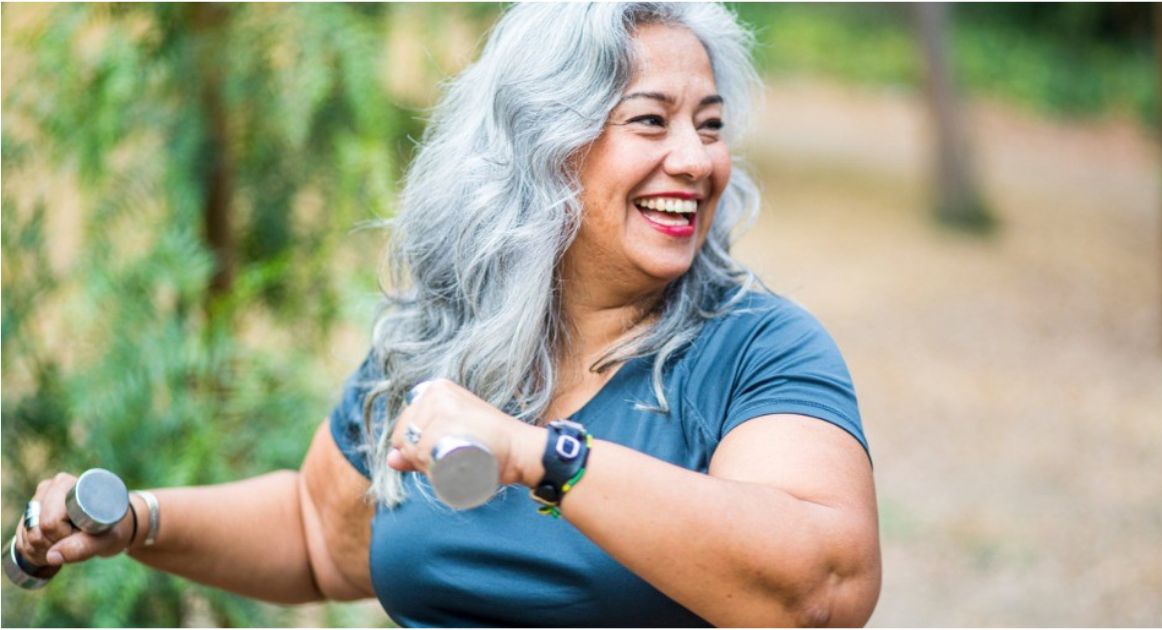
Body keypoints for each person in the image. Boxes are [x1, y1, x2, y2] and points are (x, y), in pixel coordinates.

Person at [13, 3, 880, 626]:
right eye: (651, 122)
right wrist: (136, 521)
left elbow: (819, 591)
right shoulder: (446, 337)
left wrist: (543, 458)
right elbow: (321, 535)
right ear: (542, 147)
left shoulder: (758, 350)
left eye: (711, 124)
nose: (696, 160)